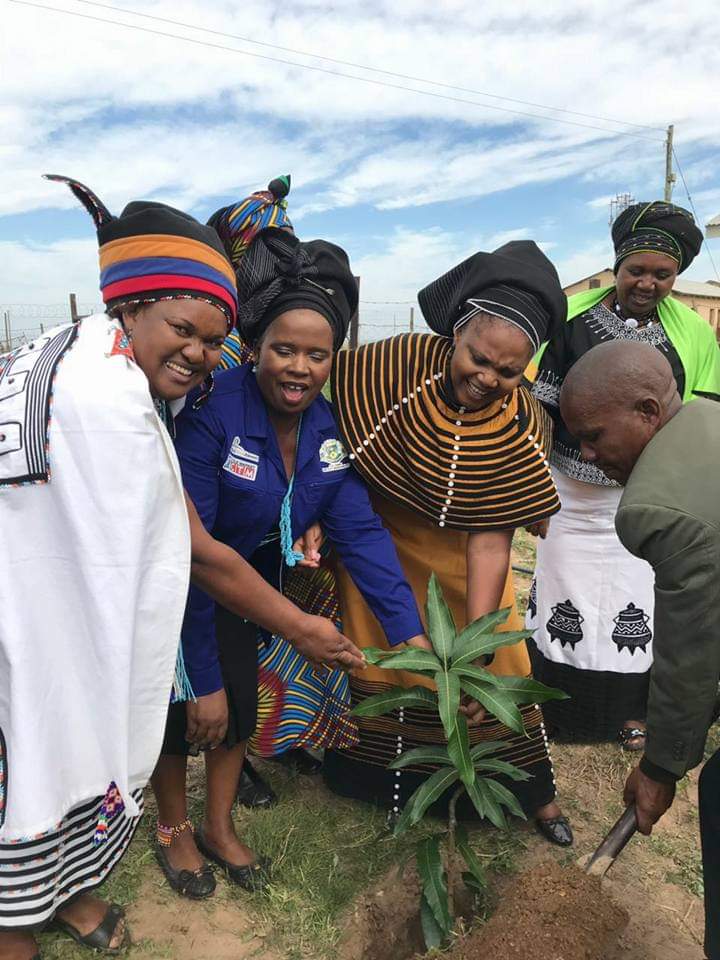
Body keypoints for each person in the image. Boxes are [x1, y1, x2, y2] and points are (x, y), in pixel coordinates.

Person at [0, 176, 362, 960]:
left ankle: (68, 894)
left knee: (73, 753)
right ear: (131, 304)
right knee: (32, 762)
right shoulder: (105, 401)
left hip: (67, 599)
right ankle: (13, 927)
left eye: (211, 339)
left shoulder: (95, 353)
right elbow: (194, 551)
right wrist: (303, 628)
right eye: (184, 329)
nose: (200, 355)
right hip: (29, 611)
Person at [150, 223, 428, 897]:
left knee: (236, 708)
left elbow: (360, 535)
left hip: (249, 586)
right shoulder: (211, 416)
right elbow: (189, 553)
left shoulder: (329, 429)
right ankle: (172, 830)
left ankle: (219, 826)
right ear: (255, 349)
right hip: (176, 585)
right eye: (283, 349)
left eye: (317, 354)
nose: (299, 367)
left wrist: (411, 636)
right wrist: (201, 678)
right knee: (182, 711)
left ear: (335, 358)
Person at [324, 241, 574, 846]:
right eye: (478, 357)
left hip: (466, 553)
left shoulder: (521, 425)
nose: (487, 378)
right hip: (376, 542)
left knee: (495, 662)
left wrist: (480, 654)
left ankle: (531, 791)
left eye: (508, 372)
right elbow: (330, 438)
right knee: (377, 650)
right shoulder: (387, 369)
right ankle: (368, 776)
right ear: (454, 334)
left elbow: (491, 543)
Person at [527, 201, 720, 748]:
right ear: (617, 266)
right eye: (637, 270)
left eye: (663, 275)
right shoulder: (568, 321)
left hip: (647, 495)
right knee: (566, 587)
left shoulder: (695, 337)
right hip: (568, 490)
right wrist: (540, 488)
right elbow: (541, 406)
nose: (648, 283)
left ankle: (634, 713)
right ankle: (556, 708)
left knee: (640, 600)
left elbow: (696, 419)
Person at [559, 340, 720, 960]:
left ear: (649, 410)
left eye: (595, 435)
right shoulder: (708, 417)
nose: (590, 456)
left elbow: (690, 652)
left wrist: (660, 768)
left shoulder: (655, 508)